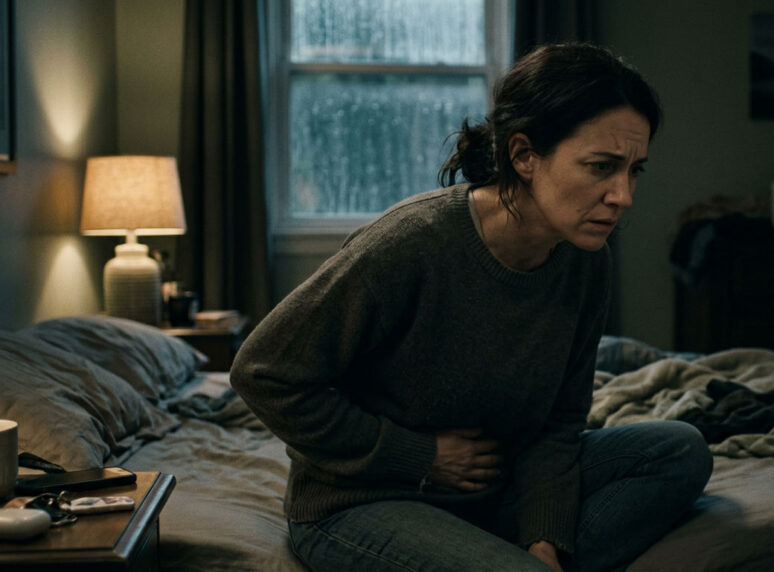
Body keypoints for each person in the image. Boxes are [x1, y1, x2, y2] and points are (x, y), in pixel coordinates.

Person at [231, 42, 712, 572]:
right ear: (524, 155)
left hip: (488, 497)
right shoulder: (412, 242)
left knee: (679, 450)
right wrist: (421, 456)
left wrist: (545, 539)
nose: (623, 196)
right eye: (601, 167)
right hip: (360, 503)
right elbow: (263, 372)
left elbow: (558, 424)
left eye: (634, 170)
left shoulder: (584, 259)